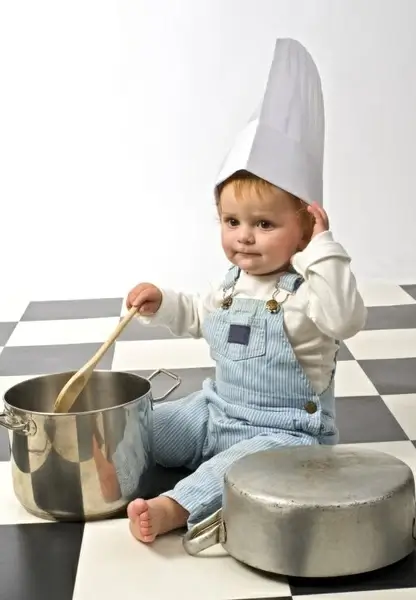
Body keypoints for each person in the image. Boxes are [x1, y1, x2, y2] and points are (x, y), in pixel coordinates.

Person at [124, 38, 367, 543]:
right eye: (232, 221)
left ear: (304, 229)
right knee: (149, 425)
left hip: (285, 435)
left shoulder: (309, 296)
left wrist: (324, 249)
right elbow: (198, 314)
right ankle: (111, 459)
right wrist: (163, 302)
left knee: (235, 469)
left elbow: (346, 318)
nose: (244, 237)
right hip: (214, 411)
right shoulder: (231, 287)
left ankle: (175, 506)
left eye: (264, 224)